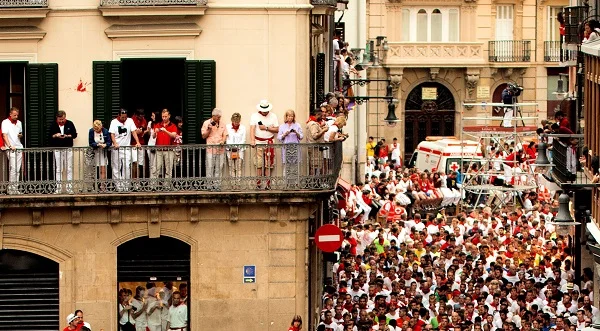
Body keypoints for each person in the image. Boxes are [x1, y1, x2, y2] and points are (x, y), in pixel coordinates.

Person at [109, 109, 141, 192]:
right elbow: (112, 134)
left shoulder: (130, 121)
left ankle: (126, 186)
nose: (124, 119)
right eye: (122, 117)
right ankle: (118, 186)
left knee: (127, 167)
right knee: (116, 167)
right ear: (119, 115)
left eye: (125, 117)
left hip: (126, 148)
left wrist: (137, 142)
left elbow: (133, 132)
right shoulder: (114, 122)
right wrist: (115, 143)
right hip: (116, 148)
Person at [250, 100, 279, 189]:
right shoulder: (254, 116)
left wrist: (266, 128)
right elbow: (252, 128)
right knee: (259, 164)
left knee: (269, 165)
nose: (265, 112)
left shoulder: (273, 116)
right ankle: (258, 184)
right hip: (258, 143)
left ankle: (268, 184)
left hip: (269, 142)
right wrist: (252, 140)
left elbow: (277, 129)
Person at [49, 110, 78, 194]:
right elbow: (50, 136)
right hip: (57, 148)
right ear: (57, 118)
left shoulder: (70, 123)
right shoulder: (53, 125)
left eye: (63, 119)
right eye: (60, 119)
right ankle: (58, 189)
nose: (61, 121)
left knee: (69, 168)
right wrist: (55, 135)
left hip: (68, 148)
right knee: (59, 168)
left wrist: (67, 136)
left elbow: (75, 135)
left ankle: (69, 189)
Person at [201, 108, 227, 188]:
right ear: (213, 116)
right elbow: (203, 136)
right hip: (210, 150)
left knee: (219, 168)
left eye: (220, 117)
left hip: (220, 150)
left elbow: (225, 135)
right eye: (218, 117)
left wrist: (223, 141)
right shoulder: (206, 123)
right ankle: (209, 186)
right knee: (210, 167)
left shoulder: (222, 124)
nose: (219, 118)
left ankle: (217, 186)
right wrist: (209, 129)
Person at [151, 109, 178, 185]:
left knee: (168, 169)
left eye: (166, 116)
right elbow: (153, 137)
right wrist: (155, 132)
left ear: (169, 116)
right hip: (159, 150)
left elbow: (173, 135)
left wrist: (165, 130)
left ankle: (167, 186)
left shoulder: (173, 126)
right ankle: (153, 185)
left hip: (169, 150)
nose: (164, 118)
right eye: (163, 116)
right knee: (155, 168)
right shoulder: (158, 124)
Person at [278, 109, 304, 185]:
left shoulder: (297, 125)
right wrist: (285, 134)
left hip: (295, 147)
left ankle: (296, 182)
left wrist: (296, 133)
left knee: (295, 165)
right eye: (289, 116)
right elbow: (279, 137)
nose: (290, 118)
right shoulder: (282, 126)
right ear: (286, 117)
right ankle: (285, 182)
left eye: (292, 116)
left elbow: (301, 136)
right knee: (286, 165)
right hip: (286, 147)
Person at [2, 107, 23, 195]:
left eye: (17, 115)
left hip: (19, 147)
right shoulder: (5, 122)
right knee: (13, 168)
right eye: (14, 115)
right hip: (11, 148)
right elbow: (4, 135)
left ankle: (15, 188)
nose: (16, 117)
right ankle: (11, 188)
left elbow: (20, 134)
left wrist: (20, 135)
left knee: (17, 169)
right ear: (10, 114)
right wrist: (10, 146)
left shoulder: (19, 123)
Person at [89, 120, 112, 191]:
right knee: (95, 170)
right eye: (96, 130)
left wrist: (105, 145)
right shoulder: (91, 131)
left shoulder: (105, 131)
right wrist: (97, 145)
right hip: (95, 152)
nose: (97, 131)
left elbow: (109, 142)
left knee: (103, 169)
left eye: (98, 129)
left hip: (103, 152)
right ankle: (95, 186)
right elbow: (90, 142)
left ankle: (103, 186)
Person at [306, 108, 328, 175]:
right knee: (315, 166)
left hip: (314, 148)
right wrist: (323, 130)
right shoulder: (313, 124)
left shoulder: (311, 123)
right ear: (317, 115)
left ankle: (315, 182)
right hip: (315, 149)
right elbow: (315, 136)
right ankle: (314, 183)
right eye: (320, 116)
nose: (321, 118)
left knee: (315, 166)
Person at [226, 112, 246, 178]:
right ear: (232, 120)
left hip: (239, 150)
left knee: (238, 167)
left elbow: (243, 139)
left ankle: (238, 185)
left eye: (237, 121)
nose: (236, 123)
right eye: (234, 121)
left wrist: (237, 147)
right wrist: (231, 147)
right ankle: (232, 185)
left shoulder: (243, 128)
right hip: (230, 150)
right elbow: (226, 138)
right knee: (231, 167)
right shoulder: (227, 127)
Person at [131, 108, 148, 179]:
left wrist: (143, 132)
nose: (141, 117)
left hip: (141, 143)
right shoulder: (131, 120)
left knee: (141, 163)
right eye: (140, 116)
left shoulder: (144, 120)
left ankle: (139, 181)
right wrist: (135, 132)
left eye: (142, 115)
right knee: (135, 163)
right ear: (136, 115)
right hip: (133, 144)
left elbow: (145, 129)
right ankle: (133, 181)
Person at [146, 111, 159, 179]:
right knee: (151, 164)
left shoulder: (161, 124)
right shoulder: (150, 123)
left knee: (158, 164)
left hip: (158, 145)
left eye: (153, 116)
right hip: (151, 144)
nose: (151, 117)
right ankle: (152, 182)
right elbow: (148, 134)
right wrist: (148, 130)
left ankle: (157, 181)